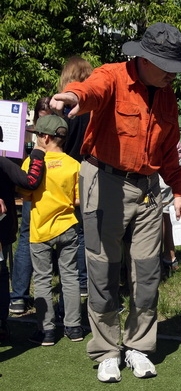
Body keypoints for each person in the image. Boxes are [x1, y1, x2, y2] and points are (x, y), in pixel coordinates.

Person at [49, 22, 181, 382]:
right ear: (146, 59)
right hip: (103, 182)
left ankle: (139, 347)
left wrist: (177, 190)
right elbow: (90, 91)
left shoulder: (166, 93)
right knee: (101, 273)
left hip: (148, 187)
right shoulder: (112, 77)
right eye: (169, 68)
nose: (173, 76)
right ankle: (106, 351)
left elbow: (169, 149)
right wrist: (72, 97)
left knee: (147, 273)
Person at [17, 115, 82, 346]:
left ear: (45, 137)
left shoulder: (31, 163)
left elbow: (25, 194)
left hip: (40, 228)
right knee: (70, 276)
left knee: (43, 279)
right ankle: (74, 327)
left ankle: (46, 331)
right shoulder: (74, 164)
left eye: (36, 135)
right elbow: (77, 201)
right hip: (67, 226)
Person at [0, 125, 46, 341]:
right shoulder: (4, 163)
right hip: (2, 230)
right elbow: (31, 181)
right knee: (1, 274)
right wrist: (37, 153)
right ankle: (1, 323)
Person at [9, 97, 52, 315]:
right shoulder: (46, 136)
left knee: (29, 238)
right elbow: (29, 180)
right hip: (38, 192)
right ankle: (19, 296)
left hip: (39, 191)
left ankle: (18, 297)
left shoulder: (33, 134)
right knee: (28, 238)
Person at [59, 55, 94, 297]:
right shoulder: (93, 110)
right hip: (88, 172)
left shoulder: (64, 111)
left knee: (68, 230)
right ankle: (82, 280)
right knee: (84, 231)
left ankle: (74, 280)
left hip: (63, 173)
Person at [160, 141, 181, 278]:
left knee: (165, 211)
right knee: (165, 210)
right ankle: (168, 257)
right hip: (174, 158)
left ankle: (169, 258)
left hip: (170, 161)